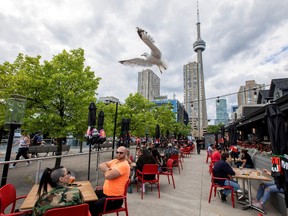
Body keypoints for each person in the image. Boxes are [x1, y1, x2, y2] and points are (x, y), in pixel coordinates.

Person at [89, 146, 130, 216]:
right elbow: (101, 165)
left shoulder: (124, 165)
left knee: (92, 207)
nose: (118, 154)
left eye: (121, 153)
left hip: (115, 198)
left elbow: (107, 176)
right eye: (117, 152)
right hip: (106, 193)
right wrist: (108, 170)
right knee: (89, 199)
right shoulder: (115, 161)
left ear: (125, 153)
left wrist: (106, 170)